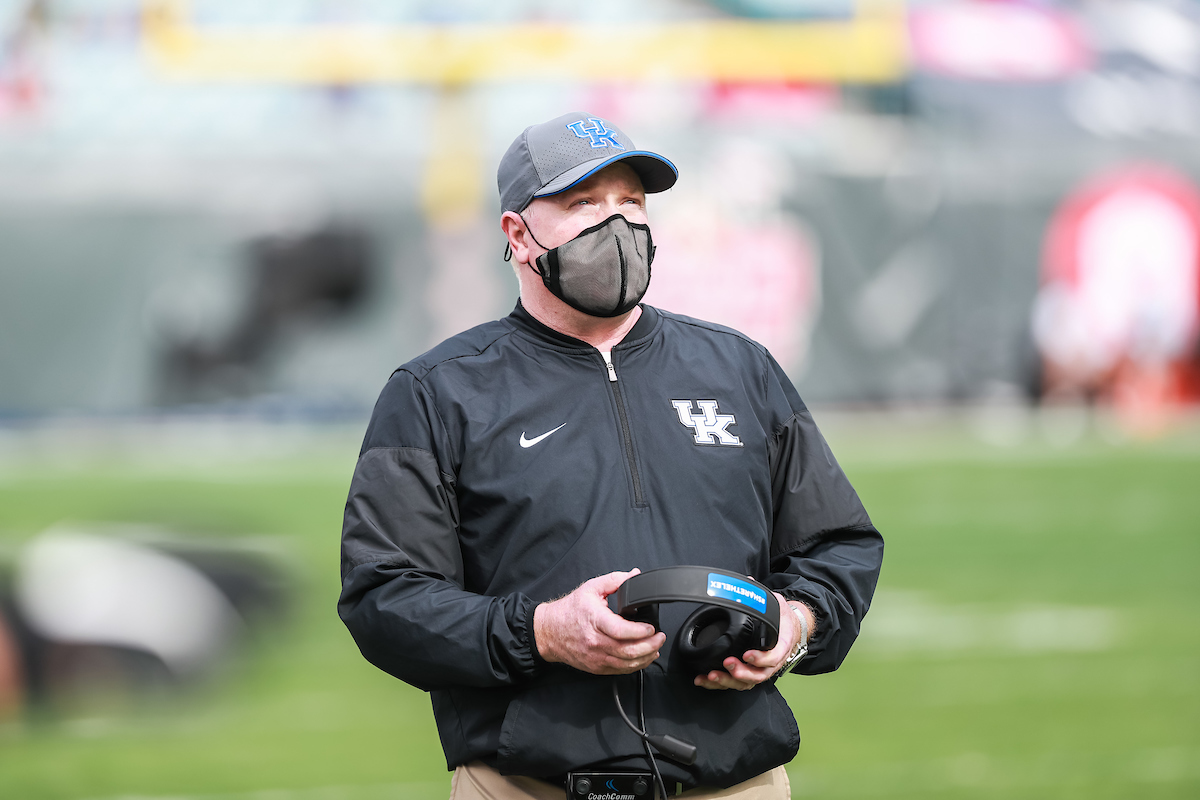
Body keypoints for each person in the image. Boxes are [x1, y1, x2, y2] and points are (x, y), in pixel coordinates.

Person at [339, 112, 884, 799]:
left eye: (631, 202)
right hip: (526, 784)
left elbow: (840, 545)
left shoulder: (738, 368)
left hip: (734, 780)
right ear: (518, 234)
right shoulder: (437, 391)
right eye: (583, 203)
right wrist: (541, 631)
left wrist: (796, 624)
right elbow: (382, 597)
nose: (617, 224)